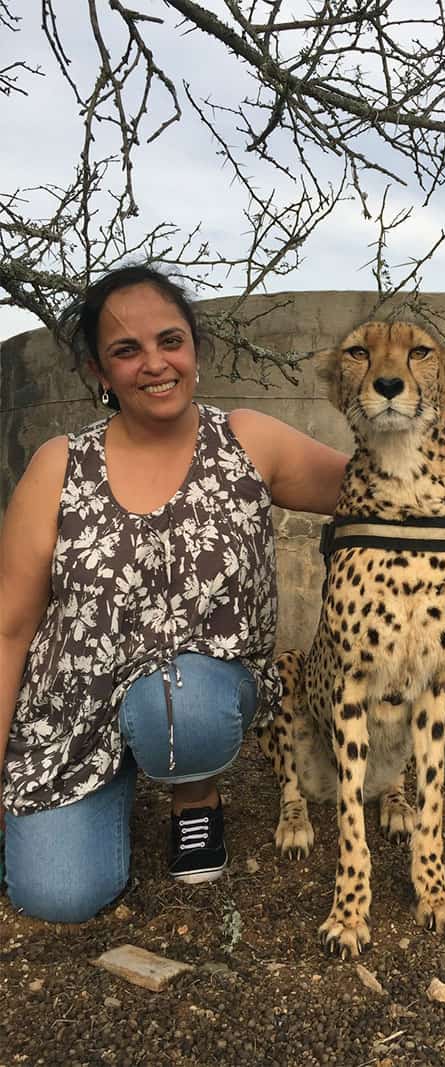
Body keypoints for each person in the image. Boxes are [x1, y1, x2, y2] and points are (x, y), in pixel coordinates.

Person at [0, 265, 348, 923]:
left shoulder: (248, 441)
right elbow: (9, 628)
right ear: (98, 371)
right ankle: (102, 786)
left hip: (195, 696)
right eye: (126, 350)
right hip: (72, 711)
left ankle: (195, 799)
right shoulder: (59, 465)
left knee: (183, 705)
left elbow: (375, 490)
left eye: (170, 341)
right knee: (59, 896)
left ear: (195, 347)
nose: (154, 363)